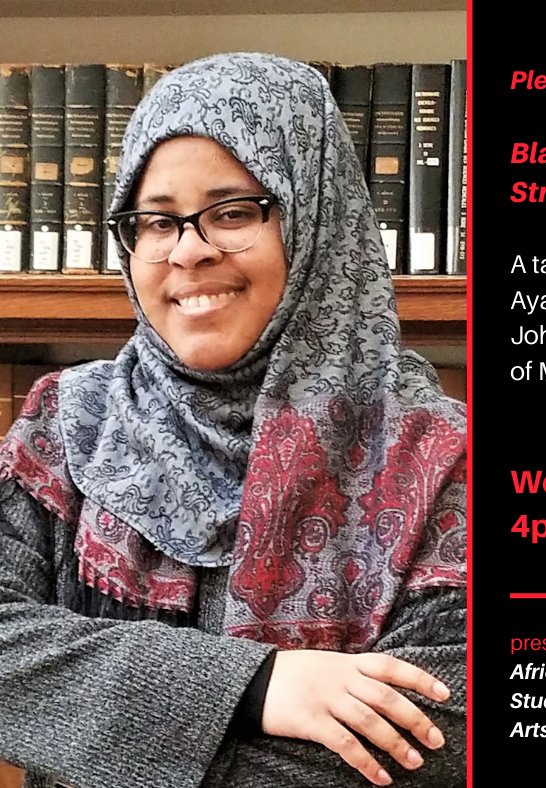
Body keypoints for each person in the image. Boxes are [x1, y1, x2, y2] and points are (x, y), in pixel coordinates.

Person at [0, 52, 466, 788]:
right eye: (156, 221)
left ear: (317, 217)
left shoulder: (439, 456)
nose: (188, 250)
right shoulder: (70, 424)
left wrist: (87, 727)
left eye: (233, 211)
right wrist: (253, 687)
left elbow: (437, 739)